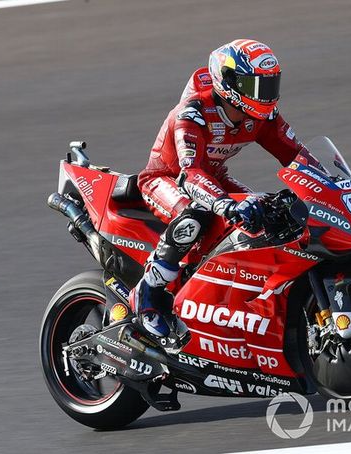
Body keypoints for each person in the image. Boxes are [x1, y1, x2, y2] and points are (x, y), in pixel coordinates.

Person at [129, 39, 306, 339]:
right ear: (231, 83)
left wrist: (332, 185)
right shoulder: (194, 113)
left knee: (265, 213)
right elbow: (190, 173)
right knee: (195, 216)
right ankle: (148, 297)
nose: (266, 95)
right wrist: (226, 204)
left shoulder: (260, 117)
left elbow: (298, 156)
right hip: (166, 179)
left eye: (270, 85)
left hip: (214, 177)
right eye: (257, 86)